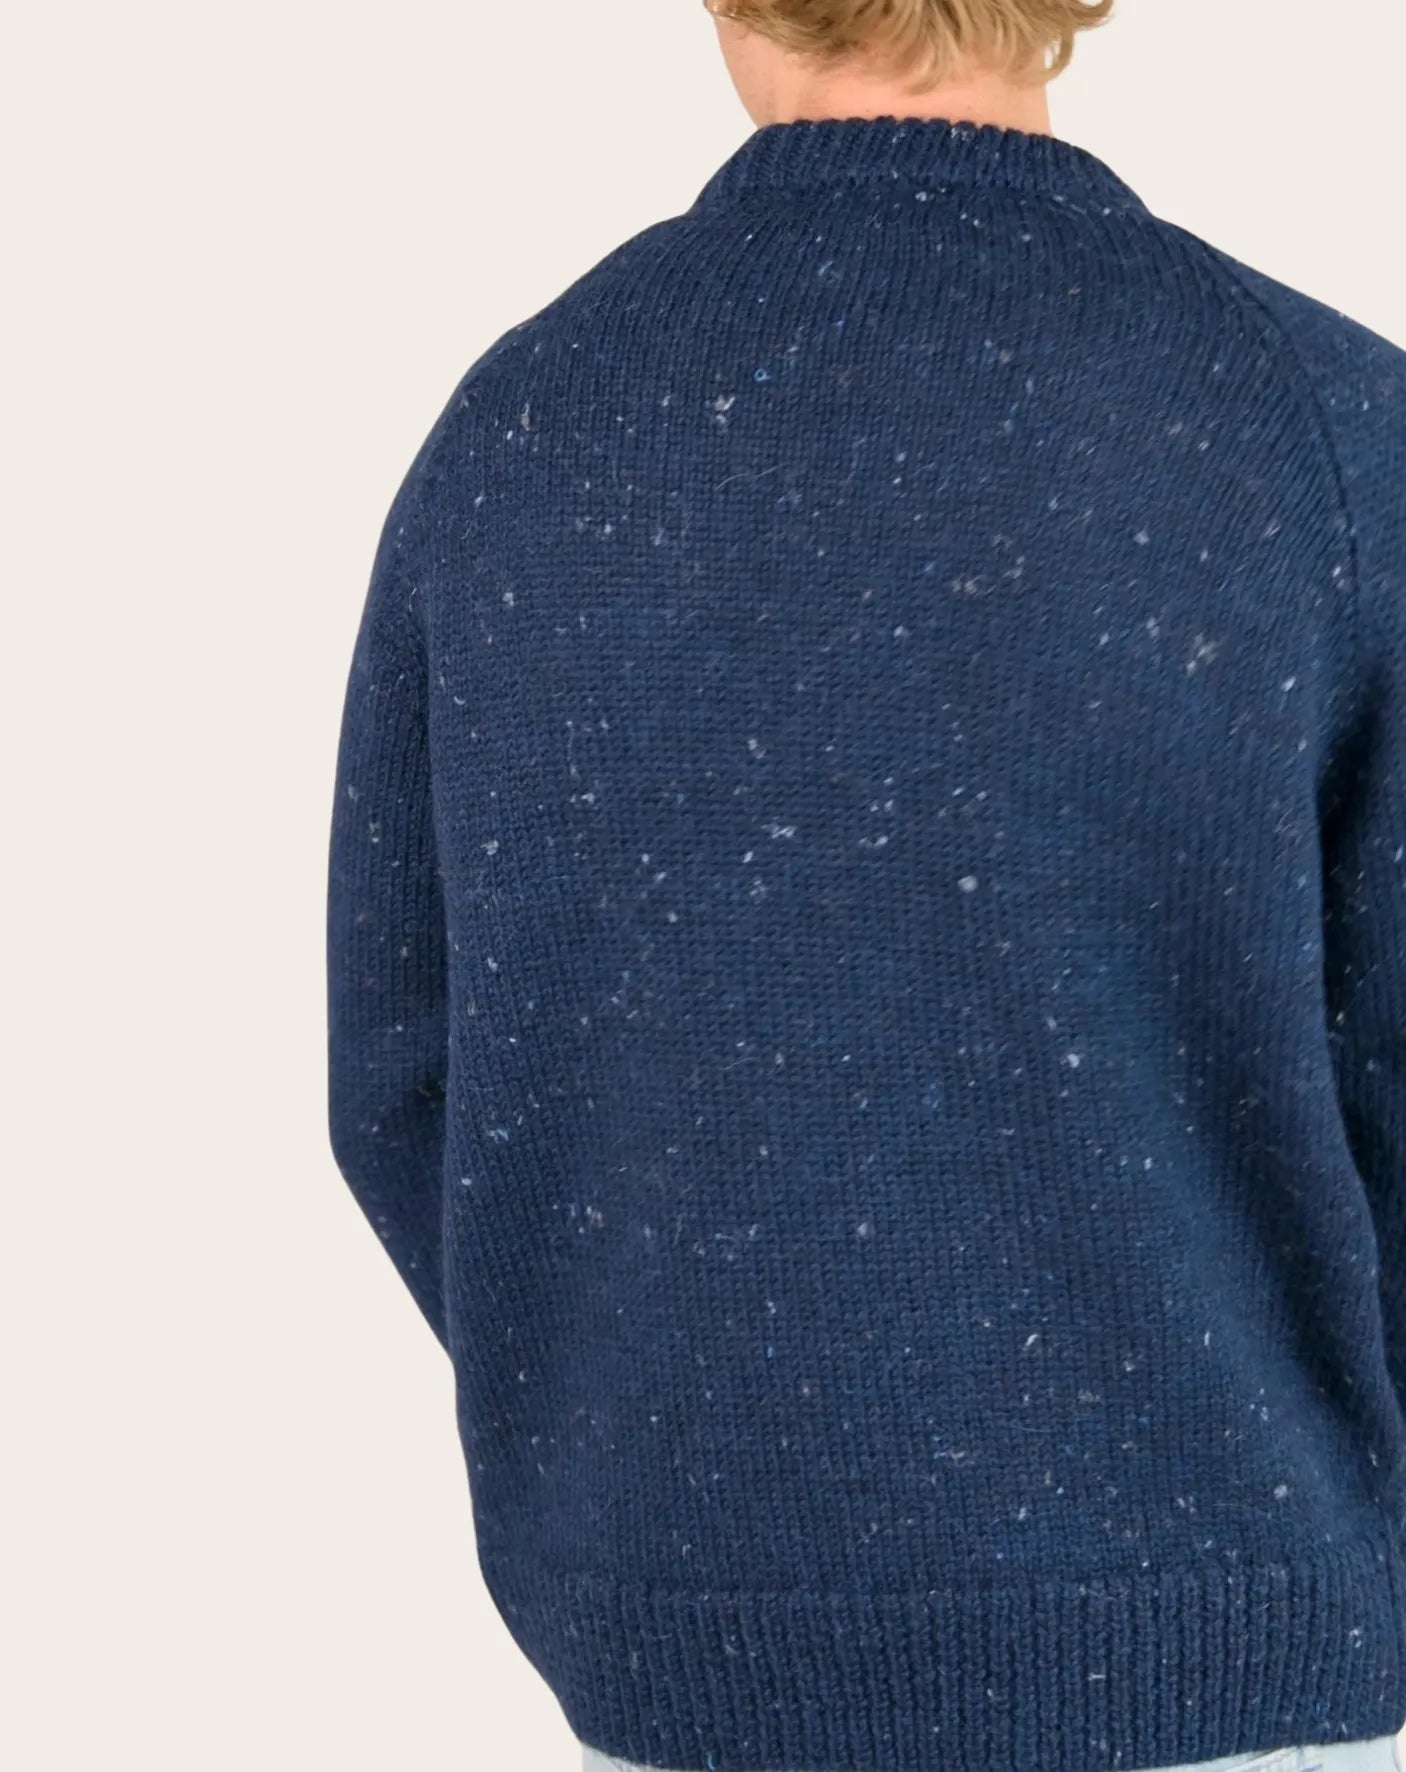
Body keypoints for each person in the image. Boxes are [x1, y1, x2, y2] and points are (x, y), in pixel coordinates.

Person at [324, 2, 1406, 1769]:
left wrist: (651, 1459)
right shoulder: (1325, 427)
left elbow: (406, 1072)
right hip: (1238, 1641)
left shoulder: (525, 427)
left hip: (681, 1649)